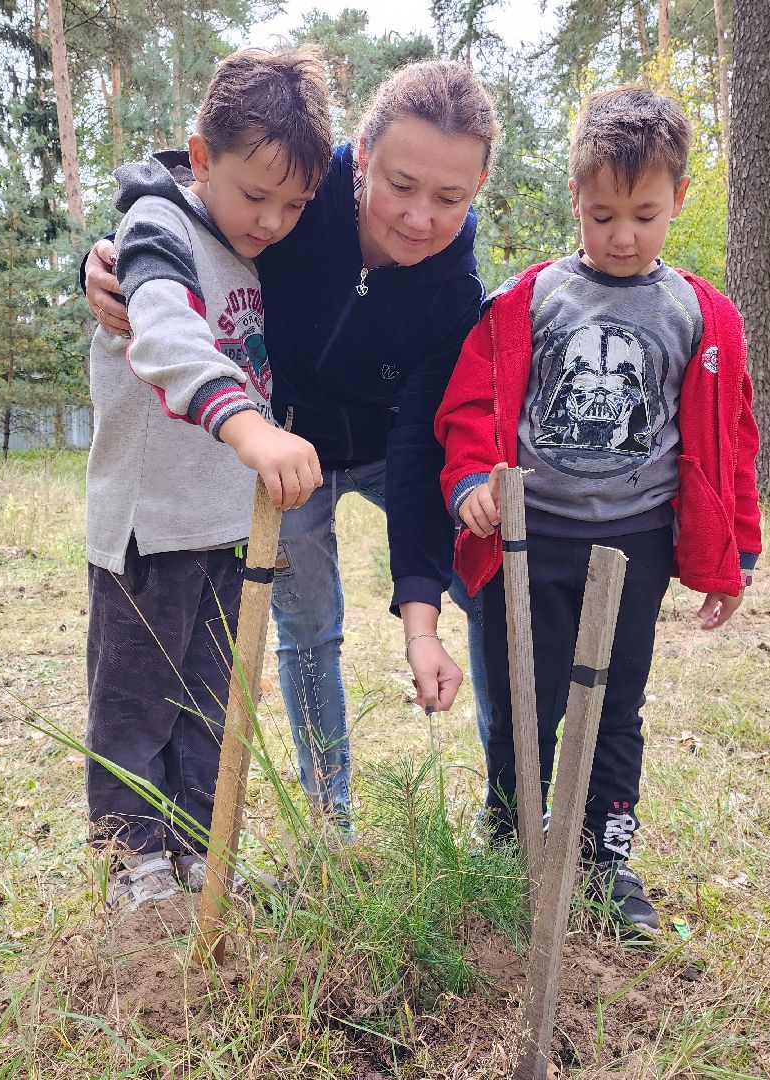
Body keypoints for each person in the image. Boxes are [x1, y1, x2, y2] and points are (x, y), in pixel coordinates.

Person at [85, 62, 500, 826]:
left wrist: (421, 620)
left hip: (380, 446)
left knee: (490, 589)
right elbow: (192, 204)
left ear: (476, 191)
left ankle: (511, 810)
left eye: (450, 198)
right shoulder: (298, 194)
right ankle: (327, 823)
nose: (418, 218)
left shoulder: (454, 292)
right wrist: (105, 253)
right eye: (401, 185)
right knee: (310, 629)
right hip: (281, 444)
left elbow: (417, 454)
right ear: (362, 155)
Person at [435, 86, 762, 935]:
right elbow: (471, 406)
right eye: (604, 214)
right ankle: (511, 837)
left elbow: (732, 440)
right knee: (520, 699)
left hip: (636, 543)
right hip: (528, 540)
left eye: (645, 216)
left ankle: (603, 855)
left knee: (615, 705)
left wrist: (738, 554)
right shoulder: (528, 300)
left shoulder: (701, 313)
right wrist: (473, 480)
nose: (623, 236)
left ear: (679, 200)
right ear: (574, 198)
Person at [84, 47, 332, 912]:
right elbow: (163, 336)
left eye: (294, 203)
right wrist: (250, 426)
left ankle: (193, 844)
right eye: (255, 195)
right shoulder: (159, 227)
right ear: (199, 158)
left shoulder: (252, 251)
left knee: (206, 700)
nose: (271, 220)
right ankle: (130, 857)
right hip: (150, 525)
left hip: (223, 525)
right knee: (136, 699)